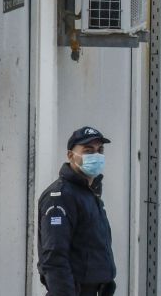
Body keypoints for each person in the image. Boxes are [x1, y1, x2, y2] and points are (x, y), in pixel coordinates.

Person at [37, 126, 117, 296]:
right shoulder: (60, 196)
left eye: (99, 150)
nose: (96, 156)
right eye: (88, 151)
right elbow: (54, 257)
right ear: (70, 155)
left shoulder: (88, 193)